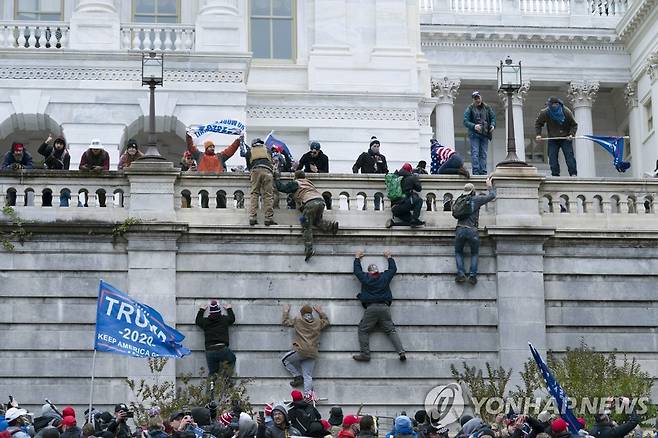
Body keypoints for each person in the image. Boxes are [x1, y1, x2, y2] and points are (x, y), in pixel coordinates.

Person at [352, 250, 406, 362]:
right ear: (377, 271)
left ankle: (365, 354)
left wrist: (357, 258)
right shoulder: (384, 277)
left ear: (369, 271)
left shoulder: (365, 277)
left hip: (371, 308)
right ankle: (401, 352)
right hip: (385, 308)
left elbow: (357, 271)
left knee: (363, 330)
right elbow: (393, 269)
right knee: (391, 330)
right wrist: (389, 257)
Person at [275, 170, 339, 262]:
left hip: (310, 203)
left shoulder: (296, 183)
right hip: (320, 202)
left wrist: (277, 178)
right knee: (316, 221)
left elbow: (282, 188)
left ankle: (309, 249)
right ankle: (331, 226)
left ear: (296, 177)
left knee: (306, 225)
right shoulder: (309, 183)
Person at [454, 176, 496, 285]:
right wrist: (489, 186)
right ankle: (472, 276)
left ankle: (461, 274)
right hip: (472, 230)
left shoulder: (459, 200)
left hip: (460, 229)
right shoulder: (476, 200)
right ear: (473, 191)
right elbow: (492, 195)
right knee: (474, 253)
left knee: (458, 252)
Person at [281, 304, 330, 397]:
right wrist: (320, 312)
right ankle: (308, 396)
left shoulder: (298, 321)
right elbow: (327, 322)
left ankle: (297, 376)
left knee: (285, 360)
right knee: (308, 376)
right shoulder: (318, 322)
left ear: (301, 313)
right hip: (312, 352)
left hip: (301, 350)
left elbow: (285, 321)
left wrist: (286, 311)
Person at [535, 97, 579, 177]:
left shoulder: (566, 112)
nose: (550, 107)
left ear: (557, 104)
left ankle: (573, 173)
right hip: (553, 139)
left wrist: (571, 134)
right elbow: (538, 123)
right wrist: (538, 134)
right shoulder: (545, 112)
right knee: (552, 157)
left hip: (565, 138)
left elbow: (574, 125)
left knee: (569, 157)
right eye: (549, 106)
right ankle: (555, 174)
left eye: (552, 105)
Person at [195, 300, 237, 376]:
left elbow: (198, 321)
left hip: (209, 350)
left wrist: (201, 310)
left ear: (210, 313)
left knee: (213, 372)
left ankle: (212, 387)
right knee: (232, 359)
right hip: (222, 348)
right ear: (220, 312)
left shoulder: (206, 322)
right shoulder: (224, 320)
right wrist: (229, 309)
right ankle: (225, 381)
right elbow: (232, 319)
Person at [244, 138, 276, 226]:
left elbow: (249, 165)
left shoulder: (250, 151)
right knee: (268, 195)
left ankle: (252, 217)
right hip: (267, 171)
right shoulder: (267, 150)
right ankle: (268, 218)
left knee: (254, 193)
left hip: (255, 170)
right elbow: (271, 162)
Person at [463, 91, 496, 175]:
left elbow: (493, 117)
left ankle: (483, 172)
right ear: (473, 99)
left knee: (483, 154)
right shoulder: (470, 108)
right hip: (475, 134)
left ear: (481, 97)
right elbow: (465, 121)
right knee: (475, 153)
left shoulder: (487, 108)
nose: (477, 100)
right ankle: (476, 172)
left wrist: (492, 125)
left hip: (485, 134)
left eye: (478, 97)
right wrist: (474, 126)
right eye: (475, 98)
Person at [387, 163, 424, 228]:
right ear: (410, 170)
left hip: (395, 209)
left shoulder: (396, 177)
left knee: (410, 222)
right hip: (404, 205)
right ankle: (415, 219)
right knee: (419, 200)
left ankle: (393, 224)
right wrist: (416, 178)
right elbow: (419, 189)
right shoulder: (411, 177)